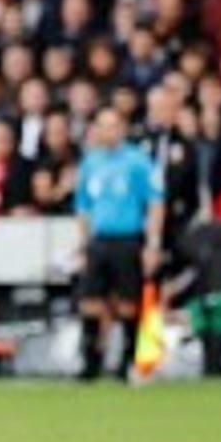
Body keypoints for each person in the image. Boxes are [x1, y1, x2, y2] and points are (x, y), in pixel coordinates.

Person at [73, 108, 163, 381]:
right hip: (99, 240)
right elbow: (83, 206)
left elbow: (155, 203)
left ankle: (127, 363)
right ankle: (90, 363)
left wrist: (152, 244)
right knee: (90, 302)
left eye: (113, 126)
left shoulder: (137, 161)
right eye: (103, 126)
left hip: (128, 239)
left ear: (123, 129)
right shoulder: (91, 162)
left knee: (127, 303)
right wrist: (83, 243)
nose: (108, 132)